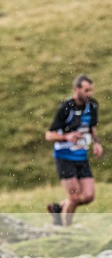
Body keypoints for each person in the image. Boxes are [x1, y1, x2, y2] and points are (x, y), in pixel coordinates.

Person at [45, 74, 103, 226]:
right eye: (86, 90)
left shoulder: (93, 106)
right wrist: (67, 136)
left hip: (81, 157)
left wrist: (97, 143)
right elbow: (49, 135)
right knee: (75, 196)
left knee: (89, 196)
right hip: (64, 157)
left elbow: (92, 128)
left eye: (91, 90)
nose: (89, 94)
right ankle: (66, 229)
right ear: (76, 89)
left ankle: (59, 208)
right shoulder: (66, 108)